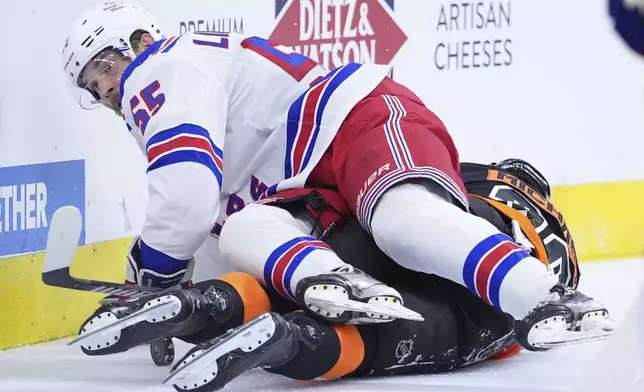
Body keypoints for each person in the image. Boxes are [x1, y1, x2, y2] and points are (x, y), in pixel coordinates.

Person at [62, 1, 613, 366]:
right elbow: (206, 222)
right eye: (93, 86)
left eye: (102, 69)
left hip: (355, 122)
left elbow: (183, 198)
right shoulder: (181, 85)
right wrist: (185, 307)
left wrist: (154, 273)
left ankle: (547, 296)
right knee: (244, 229)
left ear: (135, 41)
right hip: (312, 180)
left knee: (402, 223)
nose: (106, 91)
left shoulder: (157, 68)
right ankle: (338, 281)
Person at [74, 158, 574, 391]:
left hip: (401, 226)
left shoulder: (463, 169)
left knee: (308, 282)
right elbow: (537, 325)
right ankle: (291, 341)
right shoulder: (556, 234)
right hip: (492, 288)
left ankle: (205, 304)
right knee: (381, 339)